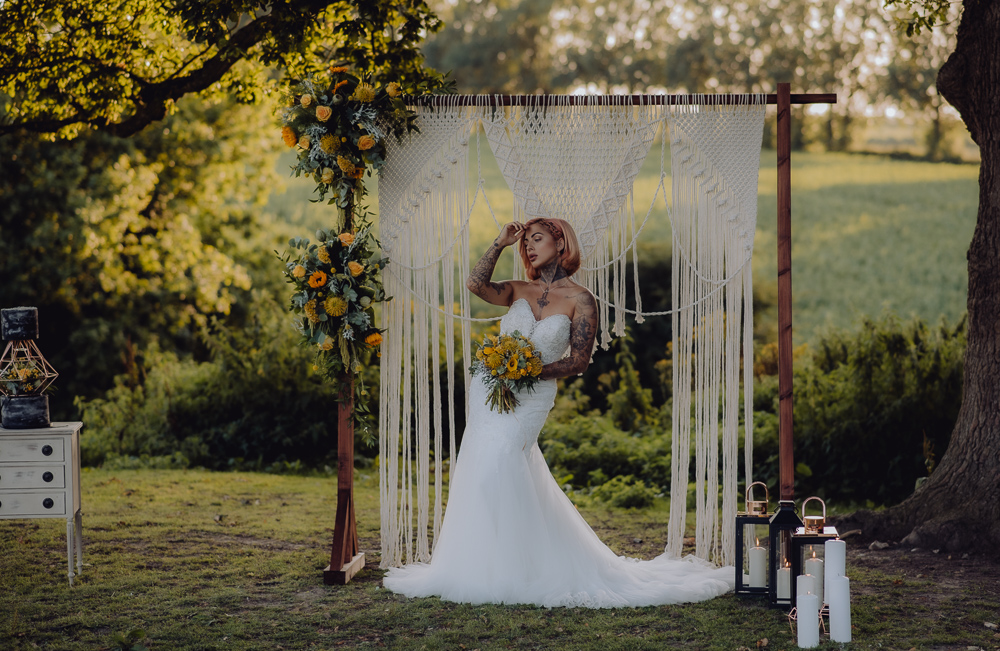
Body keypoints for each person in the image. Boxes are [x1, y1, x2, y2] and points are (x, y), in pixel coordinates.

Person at [383, 218, 734, 607]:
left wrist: (527, 371)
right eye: (526, 242)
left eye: (538, 239)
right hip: (489, 389)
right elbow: (475, 285)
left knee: (504, 458)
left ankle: (521, 568)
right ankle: (483, 565)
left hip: (532, 395)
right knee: (481, 465)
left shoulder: (581, 300)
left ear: (560, 242)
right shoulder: (518, 288)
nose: (529, 247)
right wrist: (499, 244)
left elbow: (580, 361)